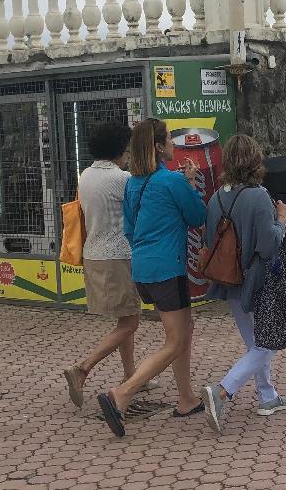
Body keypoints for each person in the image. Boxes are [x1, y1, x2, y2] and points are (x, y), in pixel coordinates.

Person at [96, 118, 207, 437]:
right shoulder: (170, 181)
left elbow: (129, 229)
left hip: (143, 268)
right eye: (170, 139)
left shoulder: (134, 182)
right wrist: (190, 183)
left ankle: (186, 398)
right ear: (159, 147)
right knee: (174, 342)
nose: (175, 144)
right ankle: (123, 394)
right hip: (167, 269)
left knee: (185, 328)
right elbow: (198, 215)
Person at [199, 135, 286, 433]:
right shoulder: (259, 196)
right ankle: (223, 390)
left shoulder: (216, 197)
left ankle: (268, 396)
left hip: (230, 281)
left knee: (255, 342)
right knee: (269, 341)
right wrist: (282, 219)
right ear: (255, 160)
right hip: (259, 280)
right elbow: (269, 244)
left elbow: (209, 237)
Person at [63, 122, 147, 409]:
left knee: (125, 318)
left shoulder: (85, 174)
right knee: (131, 321)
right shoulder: (121, 179)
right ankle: (82, 369)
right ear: (120, 148)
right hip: (118, 256)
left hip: (94, 254)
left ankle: (131, 374)